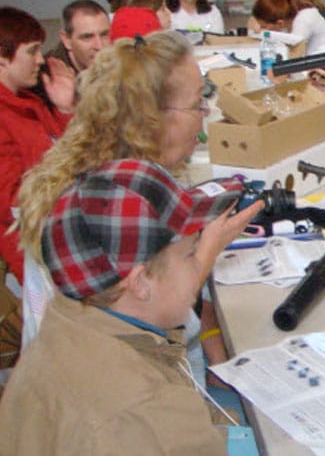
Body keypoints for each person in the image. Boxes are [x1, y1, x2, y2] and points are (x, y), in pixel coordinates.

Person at [16, 30, 229, 400]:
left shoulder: (91, 174)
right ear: (153, 119)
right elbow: (162, 331)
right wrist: (205, 255)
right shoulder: (116, 211)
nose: (204, 116)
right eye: (198, 104)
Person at [0, 158, 263, 454]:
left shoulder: (60, 324)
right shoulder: (150, 409)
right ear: (140, 283)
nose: (199, 266)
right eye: (191, 254)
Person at [0, 7, 75, 286]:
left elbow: (66, 148)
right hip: (34, 252)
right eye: (31, 51)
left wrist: (66, 108)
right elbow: (11, 205)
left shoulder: (28, 103)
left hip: (58, 226)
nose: (40, 60)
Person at [251, 0, 325, 55]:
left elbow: (297, 40)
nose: (262, 28)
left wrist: (264, 34)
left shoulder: (305, 16)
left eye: (264, 26)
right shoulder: (290, 16)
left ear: (280, 23)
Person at [49, 0, 111, 74]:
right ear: (66, 40)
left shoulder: (119, 66)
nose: (99, 46)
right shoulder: (44, 79)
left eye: (104, 35)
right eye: (87, 37)